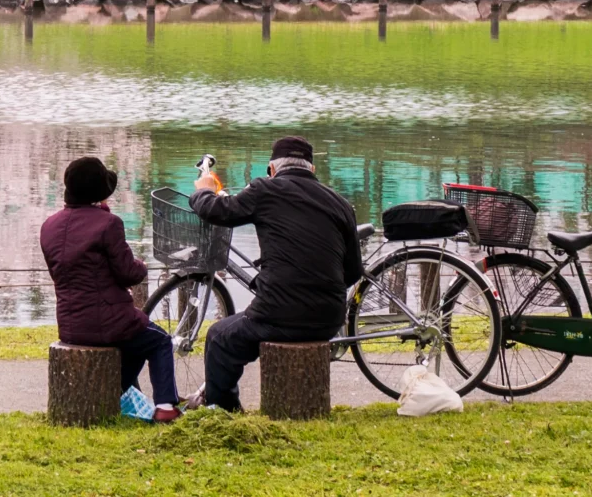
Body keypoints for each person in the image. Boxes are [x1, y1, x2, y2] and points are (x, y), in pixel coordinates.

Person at [188, 137, 361, 412]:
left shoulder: (265, 190)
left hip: (280, 315)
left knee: (220, 337)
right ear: (312, 170)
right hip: (329, 319)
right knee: (242, 326)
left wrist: (203, 191)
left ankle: (224, 412)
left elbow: (218, 211)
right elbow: (353, 272)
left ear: (271, 168)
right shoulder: (340, 203)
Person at [40, 155, 181, 422]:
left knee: (135, 343)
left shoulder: (49, 225)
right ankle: (165, 406)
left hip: (70, 323)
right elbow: (128, 273)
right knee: (158, 341)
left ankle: (112, 393)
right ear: (100, 192)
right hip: (109, 321)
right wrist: (142, 266)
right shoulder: (108, 224)